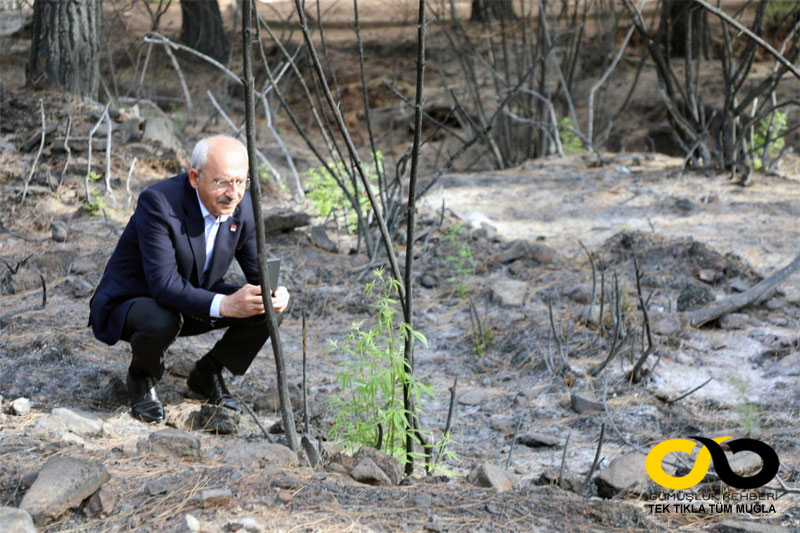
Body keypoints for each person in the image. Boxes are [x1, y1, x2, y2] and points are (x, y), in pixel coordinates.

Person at [89, 135, 289, 423]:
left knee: (265, 307)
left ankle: (207, 373)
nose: (233, 193)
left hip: (191, 295)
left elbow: (259, 271)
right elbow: (164, 285)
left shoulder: (242, 206)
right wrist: (226, 305)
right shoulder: (158, 203)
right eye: (222, 182)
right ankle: (141, 379)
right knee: (162, 319)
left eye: (240, 182)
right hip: (134, 300)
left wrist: (276, 291)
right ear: (195, 178)